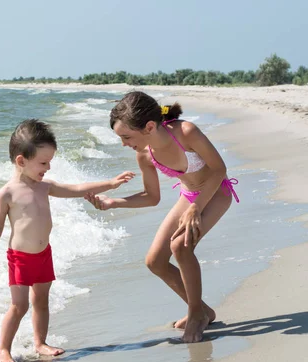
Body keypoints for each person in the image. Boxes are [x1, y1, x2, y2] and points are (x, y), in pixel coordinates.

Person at [85, 91, 239, 343]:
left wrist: (197, 208)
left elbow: (219, 169)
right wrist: (113, 203)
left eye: (126, 137)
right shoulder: (144, 154)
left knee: (180, 246)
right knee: (155, 261)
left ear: (149, 126)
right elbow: (151, 196)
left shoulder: (186, 132)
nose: (124, 143)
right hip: (190, 197)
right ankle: (203, 310)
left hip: (215, 191)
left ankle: (195, 314)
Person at [0, 119, 135, 362]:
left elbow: (76, 188)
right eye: (43, 163)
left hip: (43, 253)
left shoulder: (45, 187)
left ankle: (40, 342)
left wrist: (110, 183)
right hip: (20, 257)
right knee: (19, 306)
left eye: (50, 161)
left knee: (41, 301)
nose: (49, 167)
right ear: (21, 161)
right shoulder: (8, 193)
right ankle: (3, 348)